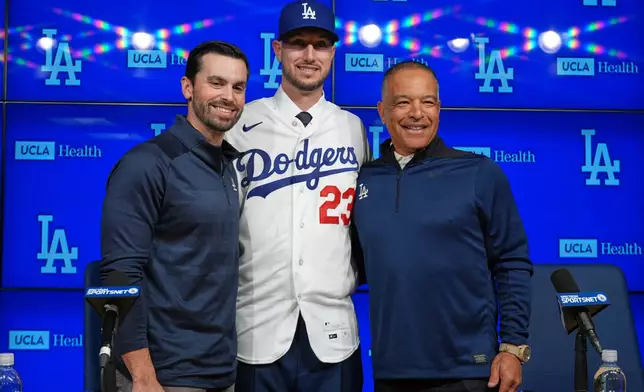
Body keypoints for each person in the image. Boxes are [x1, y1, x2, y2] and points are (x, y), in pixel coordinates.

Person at [351, 60, 533, 392]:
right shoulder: (364, 179)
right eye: (403, 102)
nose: (417, 113)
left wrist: (512, 347)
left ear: (439, 108)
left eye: (428, 102)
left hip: (470, 371)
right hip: (391, 372)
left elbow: (512, 263)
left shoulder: (479, 172)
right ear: (382, 110)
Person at [224, 1, 369, 391]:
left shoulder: (352, 129)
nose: (309, 55)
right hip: (255, 329)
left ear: (333, 53)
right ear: (277, 50)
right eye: (297, 43)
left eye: (321, 44)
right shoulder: (240, 125)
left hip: (334, 333)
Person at [100, 40, 249, 392]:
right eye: (216, 83)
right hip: (163, 376)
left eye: (238, 87)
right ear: (187, 87)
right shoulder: (147, 163)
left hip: (221, 370)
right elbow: (120, 275)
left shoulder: (229, 166)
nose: (228, 96)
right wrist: (142, 374)